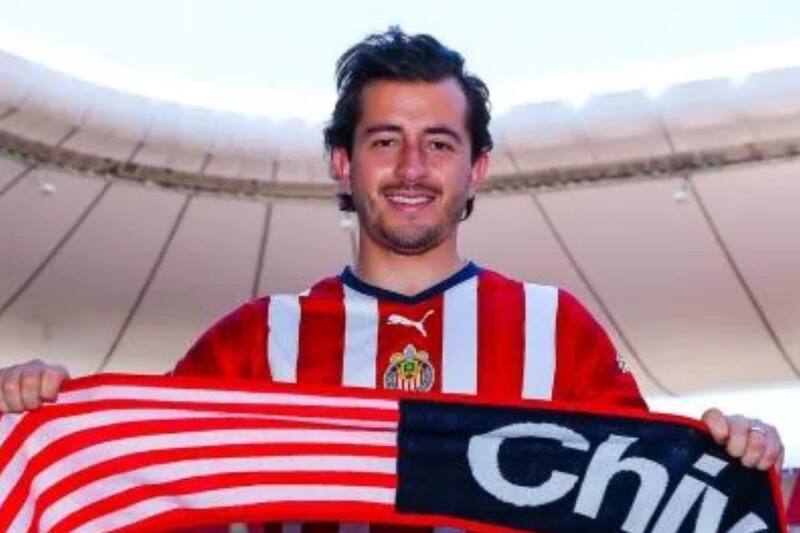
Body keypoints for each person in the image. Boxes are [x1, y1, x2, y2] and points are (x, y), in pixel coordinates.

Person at [0, 27, 784, 530]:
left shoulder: (557, 332)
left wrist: (736, 457)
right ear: (343, 163)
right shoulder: (254, 341)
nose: (412, 167)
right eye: (385, 141)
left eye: (439, 143)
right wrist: (34, 414)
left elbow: (650, 501)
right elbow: (139, 476)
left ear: (477, 168)